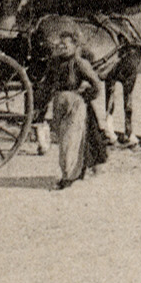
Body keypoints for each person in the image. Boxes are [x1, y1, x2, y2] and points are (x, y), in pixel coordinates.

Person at [44, 29, 111, 189]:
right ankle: (77, 171)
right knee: (67, 140)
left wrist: (84, 98)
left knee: (70, 141)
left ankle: (68, 177)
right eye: (60, 44)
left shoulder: (80, 63)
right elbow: (47, 83)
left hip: (75, 105)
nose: (62, 47)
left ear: (75, 46)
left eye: (65, 44)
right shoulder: (54, 62)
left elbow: (96, 85)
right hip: (60, 104)